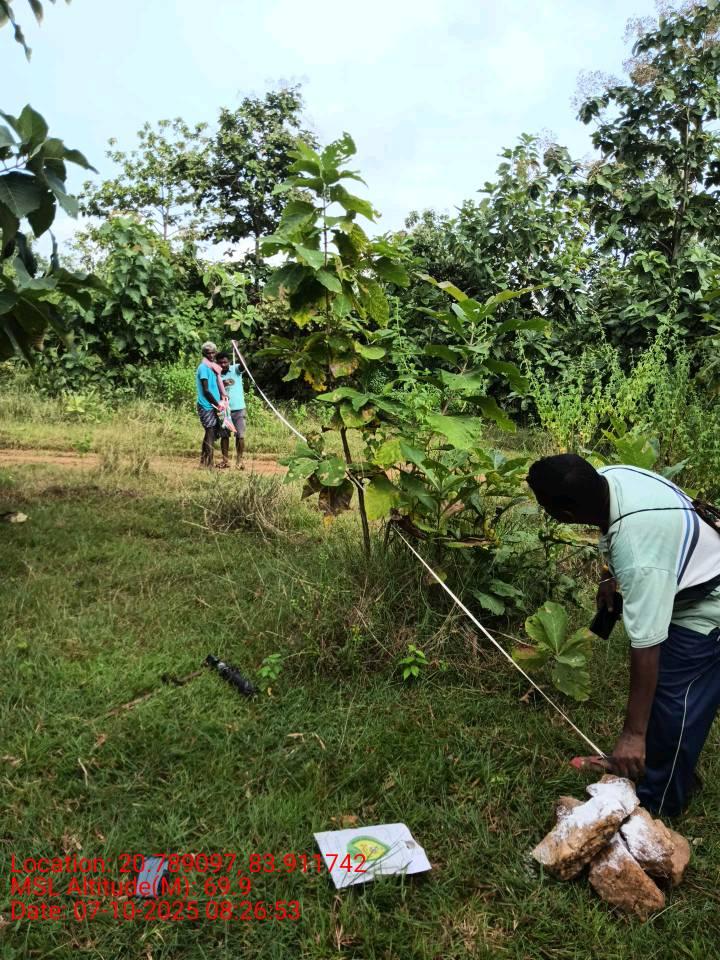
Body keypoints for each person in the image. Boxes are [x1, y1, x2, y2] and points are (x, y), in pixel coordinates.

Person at [527, 453, 720, 817]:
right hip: (686, 572)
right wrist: (609, 574)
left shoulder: (640, 557)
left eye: (544, 506)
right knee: (663, 693)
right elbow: (609, 527)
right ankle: (651, 765)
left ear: (566, 514)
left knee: (676, 696)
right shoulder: (607, 479)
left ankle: (658, 801)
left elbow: (647, 646)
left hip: (710, 600)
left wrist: (633, 734)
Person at [217, 352, 247, 469]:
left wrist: (237, 350)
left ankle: (239, 461)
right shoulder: (216, 374)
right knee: (224, 436)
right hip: (223, 409)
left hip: (238, 409)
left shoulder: (235, 369)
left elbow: (244, 365)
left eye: (225, 362)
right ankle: (225, 461)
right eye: (220, 362)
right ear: (217, 363)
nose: (223, 365)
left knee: (240, 435)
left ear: (229, 361)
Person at [195, 341, 223, 468]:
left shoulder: (212, 367)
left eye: (213, 353)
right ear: (203, 354)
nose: (211, 355)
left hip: (213, 405)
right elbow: (206, 391)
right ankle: (210, 463)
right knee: (210, 433)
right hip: (206, 405)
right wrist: (217, 404)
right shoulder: (203, 368)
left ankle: (203, 462)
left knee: (209, 434)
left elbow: (214, 385)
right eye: (208, 353)